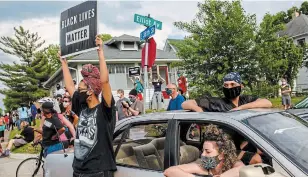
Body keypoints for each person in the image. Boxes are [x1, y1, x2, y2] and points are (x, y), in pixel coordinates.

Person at [60, 35, 117, 177]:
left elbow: (104, 82)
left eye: (81, 89)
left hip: (98, 171)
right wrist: (63, 62)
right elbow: (69, 86)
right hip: (79, 170)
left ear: (90, 91)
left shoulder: (105, 109)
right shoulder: (82, 107)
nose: (78, 92)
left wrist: (100, 52)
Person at [164, 124, 244, 177]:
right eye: (203, 151)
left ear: (222, 154)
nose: (203, 155)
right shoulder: (202, 167)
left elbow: (241, 169)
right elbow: (169, 171)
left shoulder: (232, 163)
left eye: (208, 151)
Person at [182, 72, 272, 112]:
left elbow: (267, 103)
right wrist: (198, 110)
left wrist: (241, 108)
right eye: (226, 85)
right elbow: (186, 103)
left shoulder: (246, 100)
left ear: (241, 86)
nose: (229, 87)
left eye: (232, 84)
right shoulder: (217, 103)